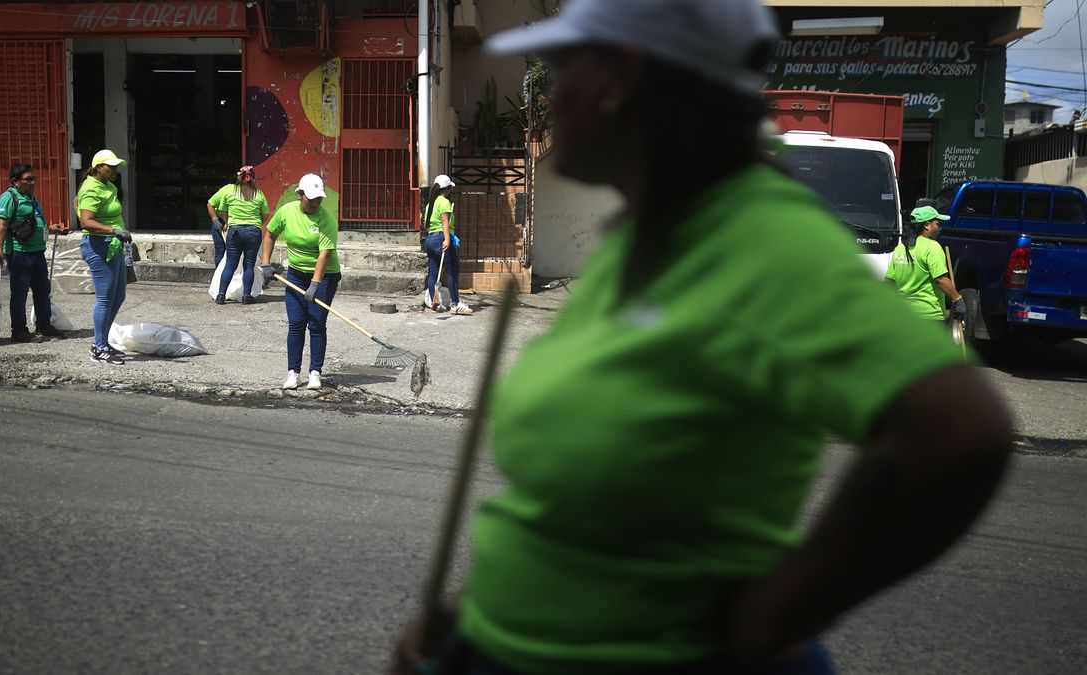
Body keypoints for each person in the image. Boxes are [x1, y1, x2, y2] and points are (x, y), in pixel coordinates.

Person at [391, 1, 1013, 674]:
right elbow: (576, 500)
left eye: (567, 64)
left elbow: (959, 430)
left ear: (620, 78)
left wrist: (784, 608)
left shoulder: (766, 243)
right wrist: (467, 617)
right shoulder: (637, 240)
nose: (547, 92)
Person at [259, 173, 341, 390]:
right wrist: (266, 264)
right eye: (311, 198)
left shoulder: (326, 219)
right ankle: (293, 372)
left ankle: (315, 372)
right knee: (296, 324)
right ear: (300, 194)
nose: (315, 203)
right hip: (296, 274)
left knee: (316, 323)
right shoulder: (287, 212)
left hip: (325, 276)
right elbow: (269, 234)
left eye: (318, 199)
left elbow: (325, 254)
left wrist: (315, 283)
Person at [0, 163, 69, 342]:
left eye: (34, 178)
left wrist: (50, 228)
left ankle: (44, 324)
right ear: (15, 181)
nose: (33, 182)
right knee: (20, 292)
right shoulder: (8, 197)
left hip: (37, 252)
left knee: (42, 289)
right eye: (28, 179)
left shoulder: (31, 196)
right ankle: (18, 330)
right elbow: (2, 225)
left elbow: (31, 223)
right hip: (19, 253)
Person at [77, 149, 132, 365]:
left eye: (116, 166)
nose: (115, 170)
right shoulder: (91, 188)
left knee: (119, 295)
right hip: (98, 246)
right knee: (104, 298)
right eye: (111, 166)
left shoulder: (108, 186)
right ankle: (98, 348)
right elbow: (86, 221)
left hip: (114, 246)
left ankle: (102, 342)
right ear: (99, 167)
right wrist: (113, 230)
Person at [886, 206, 966, 323]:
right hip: (929, 316)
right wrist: (957, 299)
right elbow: (940, 279)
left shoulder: (901, 248)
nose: (940, 229)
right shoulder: (932, 247)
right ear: (927, 225)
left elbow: (890, 281)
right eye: (938, 224)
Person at [207, 165, 271, 304]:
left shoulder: (230, 191)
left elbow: (222, 210)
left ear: (239, 177)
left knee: (230, 264)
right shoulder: (259, 194)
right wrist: (256, 223)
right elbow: (266, 214)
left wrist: (229, 222)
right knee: (249, 264)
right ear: (252, 179)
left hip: (234, 231)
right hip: (253, 231)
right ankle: (246, 296)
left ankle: (221, 295)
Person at [423, 174, 472, 315]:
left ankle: (435, 302)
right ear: (447, 188)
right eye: (450, 187)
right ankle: (455, 304)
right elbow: (445, 221)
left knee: (433, 271)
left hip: (430, 240)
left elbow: (427, 225)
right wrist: (447, 239)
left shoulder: (429, 204)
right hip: (440, 238)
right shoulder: (444, 202)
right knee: (453, 270)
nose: (451, 190)